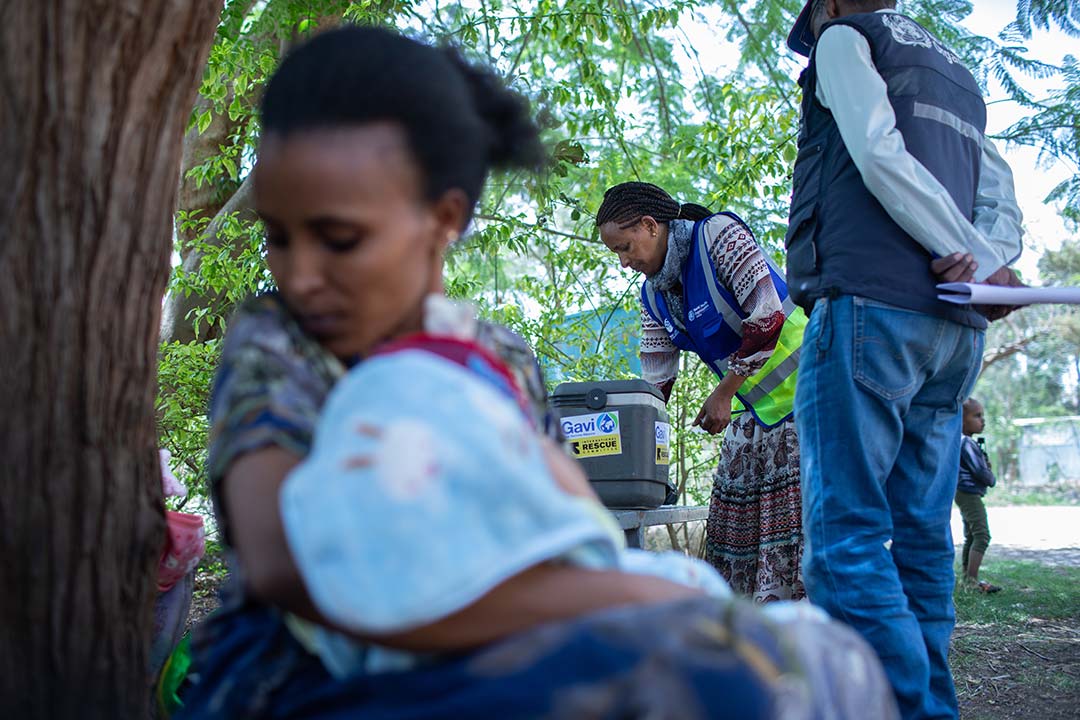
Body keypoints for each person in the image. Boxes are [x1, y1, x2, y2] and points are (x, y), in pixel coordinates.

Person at [178, 25, 899, 720]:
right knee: (730, 673)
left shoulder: (498, 359)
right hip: (321, 662)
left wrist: (625, 587)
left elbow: (562, 519)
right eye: (277, 237)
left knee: (819, 655)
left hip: (526, 621)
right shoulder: (276, 340)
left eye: (338, 238)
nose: (300, 273)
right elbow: (286, 568)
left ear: (443, 219)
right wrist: (622, 602)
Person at [785, 2, 1024, 718]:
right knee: (921, 537)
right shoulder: (957, 73)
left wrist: (964, 252)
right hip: (955, 333)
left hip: (871, 311)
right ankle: (931, 708)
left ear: (827, 6)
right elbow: (1001, 196)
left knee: (846, 538)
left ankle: (900, 709)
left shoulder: (843, 39)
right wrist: (986, 264)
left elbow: (876, 148)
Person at [596, 182, 807, 602]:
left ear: (650, 225)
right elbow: (655, 385)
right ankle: (751, 622)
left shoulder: (719, 236)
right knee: (734, 529)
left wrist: (724, 393)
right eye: (616, 253)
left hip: (812, 393)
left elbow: (767, 317)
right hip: (759, 410)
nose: (623, 262)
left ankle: (810, 622)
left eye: (625, 247)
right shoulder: (653, 296)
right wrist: (624, 458)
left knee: (800, 530)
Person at [956, 398, 1001, 593]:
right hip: (969, 493)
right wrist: (991, 478)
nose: (982, 420)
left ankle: (968, 580)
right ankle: (972, 581)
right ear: (961, 419)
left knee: (971, 535)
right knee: (982, 535)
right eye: (977, 416)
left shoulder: (961, 441)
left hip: (963, 492)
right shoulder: (966, 443)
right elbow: (980, 472)